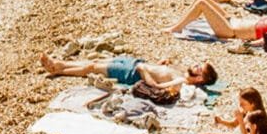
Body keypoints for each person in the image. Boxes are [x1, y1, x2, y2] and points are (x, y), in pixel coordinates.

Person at [40, 53, 216, 95]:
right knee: (94, 63)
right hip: (135, 63)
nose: (196, 65)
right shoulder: (181, 73)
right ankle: (60, 65)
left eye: (200, 68)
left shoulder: (180, 82)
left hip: (134, 72)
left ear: (200, 78)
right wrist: (158, 64)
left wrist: (144, 72)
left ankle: (59, 70)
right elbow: (161, 74)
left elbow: (158, 87)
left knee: (93, 67)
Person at [168, 0, 267, 46]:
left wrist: (242, 44)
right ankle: (180, 22)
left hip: (229, 31)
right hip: (231, 19)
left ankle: (177, 27)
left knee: (202, 4)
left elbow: (260, 43)